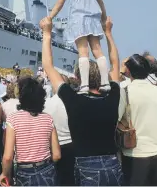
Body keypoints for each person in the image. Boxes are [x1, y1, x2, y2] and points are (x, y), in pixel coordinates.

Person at [40, 16, 123, 186]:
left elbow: (48, 67)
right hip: (113, 164)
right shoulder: (113, 95)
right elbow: (115, 63)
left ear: (78, 78)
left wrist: (47, 33)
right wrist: (108, 33)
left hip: (86, 167)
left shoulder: (73, 100)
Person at [45, 0, 110, 93]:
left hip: (79, 19)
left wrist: (50, 17)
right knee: (98, 50)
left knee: (83, 51)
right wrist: (104, 19)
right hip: (93, 19)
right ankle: (105, 83)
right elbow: (101, 3)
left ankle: (85, 85)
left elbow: (59, 3)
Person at [0, 77, 61, 186]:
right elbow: (56, 155)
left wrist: (4, 174)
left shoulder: (13, 119)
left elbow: (8, 156)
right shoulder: (48, 118)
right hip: (46, 169)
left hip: (24, 171)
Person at [119, 54, 157, 185]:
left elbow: (116, 119)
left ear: (128, 71)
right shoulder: (155, 90)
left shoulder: (125, 91)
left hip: (135, 153)